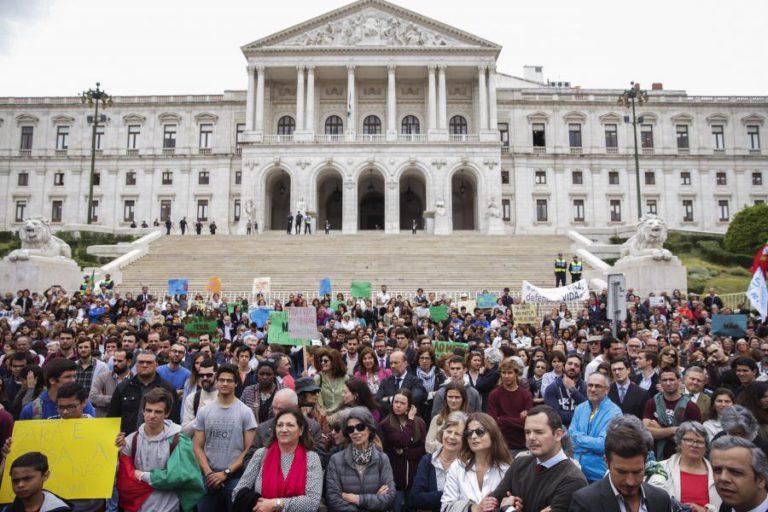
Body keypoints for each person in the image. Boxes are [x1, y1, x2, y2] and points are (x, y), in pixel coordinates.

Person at [116, 387, 205, 512]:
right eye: (148, 410)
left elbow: (179, 476)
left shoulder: (178, 439)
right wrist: (116, 452)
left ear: (167, 413)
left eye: (158, 412)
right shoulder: (132, 439)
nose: (152, 416)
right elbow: (121, 474)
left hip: (169, 508)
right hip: (138, 507)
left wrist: (143, 475)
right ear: (143, 411)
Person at [490, 405, 588, 512]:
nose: (531, 437)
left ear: (558, 435)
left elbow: (502, 506)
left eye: (539, 432)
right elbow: (491, 506)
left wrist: (507, 509)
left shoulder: (572, 479)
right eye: (527, 432)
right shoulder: (519, 464)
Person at [568, 420, 672, 512]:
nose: (630, 481)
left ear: (645, 464)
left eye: (637, 472)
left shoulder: (661, 500)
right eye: (621, 472)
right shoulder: (585, 502)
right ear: (607, 462)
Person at [232, 407, 323, 512]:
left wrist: (275, 504)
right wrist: (259, 505)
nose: (283, 429)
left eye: (290, 425)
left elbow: (312, 502)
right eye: (279, 425)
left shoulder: (311, 458)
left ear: (301, 430)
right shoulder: (261, 454)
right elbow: (238, 492)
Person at [193, 364, 257, 512]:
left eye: (229, 380)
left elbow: (249, 449)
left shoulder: (245, 412)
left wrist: (226, 473)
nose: (225, 384)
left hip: (235, 478)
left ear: (236, 383)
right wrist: (209, 473)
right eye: (221, 380)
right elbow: (197, 446)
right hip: (208, 477)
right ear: (216, 382)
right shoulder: (204, 411)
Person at [324, 406, 396, 512]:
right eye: (350, 429)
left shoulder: (382, 459)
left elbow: (389, 498)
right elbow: (333, 499)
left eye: (360, 427)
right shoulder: (336, 460)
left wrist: (358, 499)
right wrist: (373, 501)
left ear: (370, 428)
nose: (356, 432)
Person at [440, 412, 512, 512]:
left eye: (480, 431)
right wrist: (474, 508)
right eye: (469, 433)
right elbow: (445, 508)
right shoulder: (457, 466)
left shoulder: (507, 469)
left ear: (493, 433)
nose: (473, 436)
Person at [647, 421, 721, 512]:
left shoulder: (717, 473)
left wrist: (706, 510)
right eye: (689, 440)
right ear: (679, 443)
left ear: (706, 446)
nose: (694, 445)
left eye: (700, 442)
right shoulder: (661, 468)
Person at [568, 371, 622, 482]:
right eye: (590, 385)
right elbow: (569, 438)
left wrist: (578, 438)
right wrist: (590, 444)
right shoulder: (580, 408)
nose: (592, 389)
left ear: (606, 390)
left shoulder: (614, 412)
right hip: (575, 471)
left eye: (597, 386)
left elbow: (603, 445)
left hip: (598, 475)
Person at [379, 389, 426, 512]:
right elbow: (402, 441)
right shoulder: (386, 424)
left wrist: (405, 453)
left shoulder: (419, 423)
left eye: (402, 403)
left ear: (409, 407)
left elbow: (422, 449)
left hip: (413, 481)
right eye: (396, 402)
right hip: (395, 482)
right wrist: (410, 420)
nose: (398, 405)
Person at [108, 352, 178, 434]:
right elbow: (112, 417)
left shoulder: (167, 388)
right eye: (141, 362)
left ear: (156, 365)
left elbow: (174, 419)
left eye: (149, 362)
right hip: (127, 440)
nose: (144, 365)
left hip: (158, 439)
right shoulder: (123, 387)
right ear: (136, 365)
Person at [411, 411, 467, 512]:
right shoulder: (427, 461)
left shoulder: (467, 465)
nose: (451, 437)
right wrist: (451, 495)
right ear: (442, 433)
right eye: (449, 431)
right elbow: (417, 498)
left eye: (458, 434)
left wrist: (433, 498)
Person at [643, 367, 702, 460]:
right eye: (664, 380)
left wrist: (659, 429)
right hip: (656, 458)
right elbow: (646, 432)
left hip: (681, 458)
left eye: (671, 380)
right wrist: (675, 430)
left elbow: (694, 439)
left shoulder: (691, 407)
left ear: (679, 381)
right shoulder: (652, 403)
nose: (668, 383)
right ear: (660, 382)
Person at [19, 358, 96, 420]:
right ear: (52, 380)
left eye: (74, 376)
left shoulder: (83, 403)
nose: (73, 380)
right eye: (67, 377)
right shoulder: (32, 410)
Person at [710, 435, 768, 512]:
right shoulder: (726, 507)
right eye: (717, 470)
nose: (723, 478)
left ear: (761, 480)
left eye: (735, 472)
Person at [487, 358, 533, 453]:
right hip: (501, 445)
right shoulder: (494, 394)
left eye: (510, 373)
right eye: (504, 373)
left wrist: (503, 419)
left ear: (516, 373)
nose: (506, 376)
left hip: (522, 445)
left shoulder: (526, 395)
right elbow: (493, 422)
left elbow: (527, 423)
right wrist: (517, 421)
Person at [4, 452, 73, 512]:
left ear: (45, 475)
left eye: (27, 478)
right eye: (15, 480)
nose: (20, 485)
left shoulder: (60, 509)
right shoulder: (10, 509)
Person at [375, 350, 426, 415]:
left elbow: (414, 399)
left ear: (405, 364)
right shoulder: (385, 381)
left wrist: (389, 399)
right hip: (388, 420)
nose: (393, 366)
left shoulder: (416, 381)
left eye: (396, 363)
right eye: (391, 363)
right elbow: (377, 400)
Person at [543, 353, 586, 427]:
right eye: (569, 363)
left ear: (580, 370)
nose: (572, 367)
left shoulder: (586, 387)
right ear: (563, 366)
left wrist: (573, 390)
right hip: (559, 430)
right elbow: (555, 416)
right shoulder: (552, 388)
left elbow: (589, 410)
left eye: (576, 365)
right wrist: (580, 416)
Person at [425, 382, 469, 454]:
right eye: (450, 397)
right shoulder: (437, 419)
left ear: (463, 399)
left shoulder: (469, 420)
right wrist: (447, 448)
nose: (453, 400)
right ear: (445, 398)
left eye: (457, 397)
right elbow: (428, 446)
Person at [89, 349, 132, 417]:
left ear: (129, 362)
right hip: (105, 421)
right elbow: (92, 398)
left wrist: (104, 399)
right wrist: (119, 399)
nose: (115, 363)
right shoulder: (102, 377)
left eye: (120, 361)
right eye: (114, 360)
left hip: (127, 420)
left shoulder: (135, 379)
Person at [181, 359, 218, 437]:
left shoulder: (225, 397)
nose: (204, 378)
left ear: (217, 375)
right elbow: (186, 432)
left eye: (209, 375)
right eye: (201, 375)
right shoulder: (192, 398)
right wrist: (202, 414)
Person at [241, 359, 280, 424]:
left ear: (274, 375)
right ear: (257, 374)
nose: (264, 377)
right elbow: (240, 412)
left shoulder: (282, 392)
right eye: (261, 374)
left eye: (268, 374)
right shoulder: (248, 391)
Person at [314, 349, 349, 414]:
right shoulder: (318, 379)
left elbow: (348, 400)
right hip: (325, 418)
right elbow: (318, 403)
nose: (322, 363)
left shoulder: (345, 378)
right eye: (321, 361)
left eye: (325, 361)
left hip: (342, 416)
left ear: (334, 362)